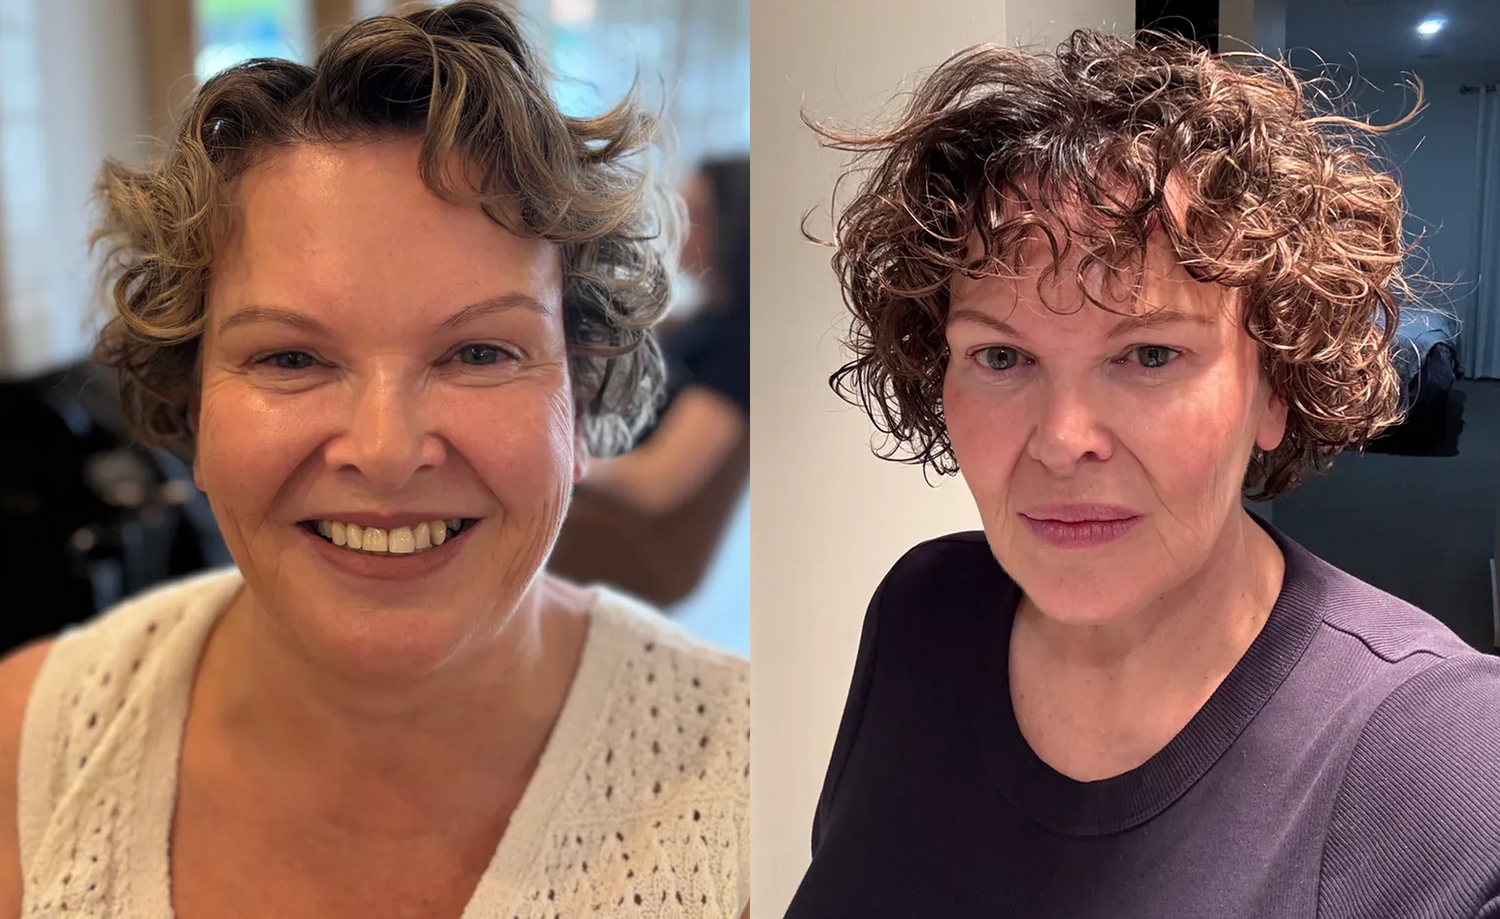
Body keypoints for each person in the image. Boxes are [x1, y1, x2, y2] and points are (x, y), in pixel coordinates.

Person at [0, 4, 749, 918]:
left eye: (479, 353)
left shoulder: (765, 788)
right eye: (291, 358)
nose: (388, 454)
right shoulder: (25, 749)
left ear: (582, 394)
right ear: (191, 406)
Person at [785, 30, 1500, 919]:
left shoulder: (1446, 762)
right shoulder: (922, 611)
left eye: (1150, 353)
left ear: (1275, 382)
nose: (1063, 439)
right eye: (1002, 356)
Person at [549, 158, 751, 605]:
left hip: (639, 544)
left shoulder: (739, 346)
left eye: (694, 216)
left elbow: (655, 482)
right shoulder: (707, 320)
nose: (677, 228)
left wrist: (558, 460)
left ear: (731, 227)